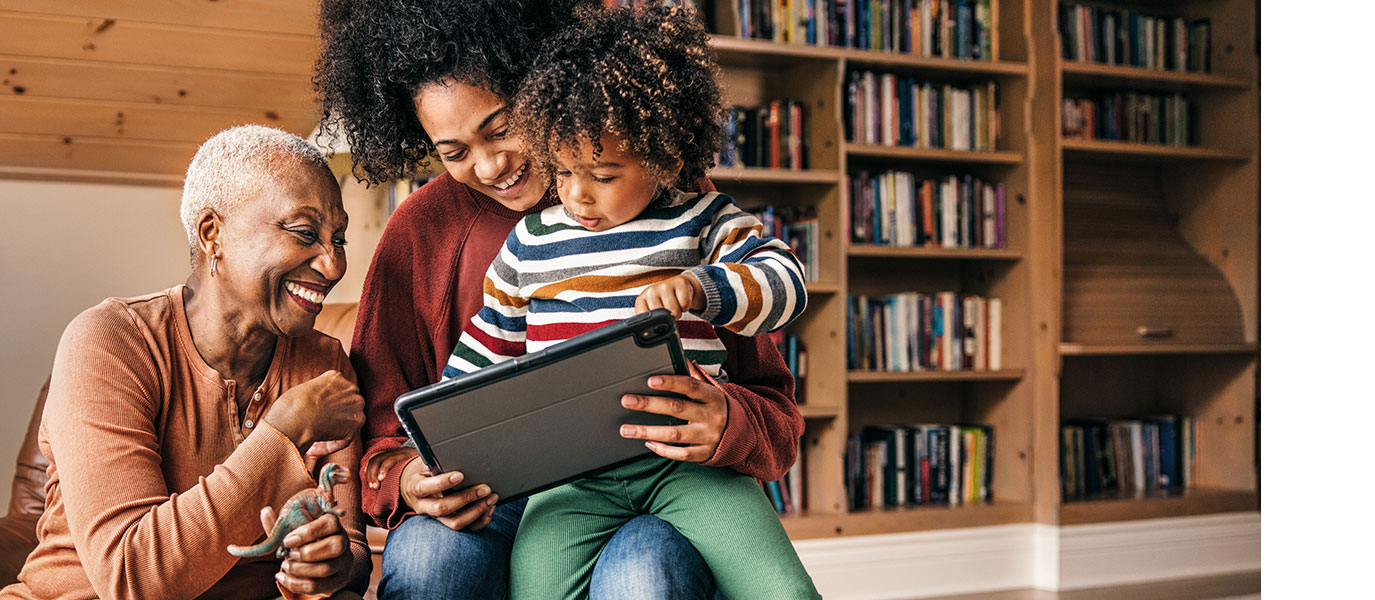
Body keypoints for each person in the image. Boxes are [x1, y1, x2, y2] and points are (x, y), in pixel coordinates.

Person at [312, 1, 807, 598]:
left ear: (543, 87)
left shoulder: (665, 194)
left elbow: (773, 397)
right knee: (428, 562)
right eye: (453, 151)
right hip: (500, 496)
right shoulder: (424, 232)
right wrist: (410, 476)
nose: (491, 164)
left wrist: (728, 419)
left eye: (500, 127)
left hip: (665, 470)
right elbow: (399, 421)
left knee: (644, 571)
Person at [0, 125, 371, 600]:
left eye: (337, 239)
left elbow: (355, 554)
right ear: (212, 234)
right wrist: (282, 431)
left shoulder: (324, 365)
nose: (334, 265)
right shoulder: (109, 342)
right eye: (304, 233)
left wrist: (333, 563)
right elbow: (134, 577)